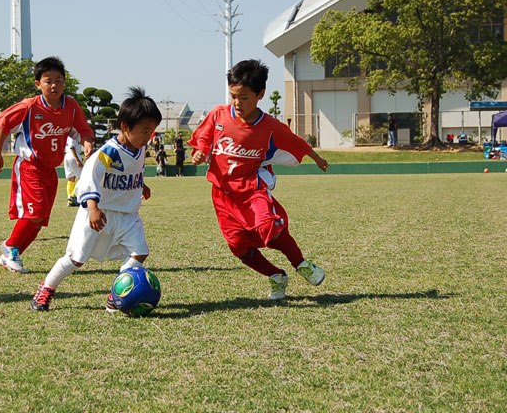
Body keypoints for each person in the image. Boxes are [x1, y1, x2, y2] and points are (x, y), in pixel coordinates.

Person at [188, 59, 328, 301]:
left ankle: (301, 263)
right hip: (222, 195)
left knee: (269, 228)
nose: (237, 103)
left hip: (253, 190)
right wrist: (200, 152)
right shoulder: (218, 115)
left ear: (260, 94)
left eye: (244, 98)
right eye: (233, 96)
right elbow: (203, 137)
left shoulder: (269, 126)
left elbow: (295, 142)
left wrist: (316, 157)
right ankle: (275, 275)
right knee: (237, 245)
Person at [31, 86, 162, 311]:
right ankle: (46, 289)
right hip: (98, 213)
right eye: (145, 130)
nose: (148, 136)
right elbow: (88, 180)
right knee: (75, 259)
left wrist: (142, 184)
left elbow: (133, 170)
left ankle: (117, 295)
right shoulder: (106, 154)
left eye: (152, 131)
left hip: (127, 215)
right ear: (125, 127)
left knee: (140, 252)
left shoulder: (139, 148)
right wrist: (92, 208)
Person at [0, 56, 95, 274]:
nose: (54, 85)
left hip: (50, 169)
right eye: (48, 80)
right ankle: (10, 246)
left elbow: (84, 130)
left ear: (64, 83)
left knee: (40, 220)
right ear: (38, 84)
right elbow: (3, 125)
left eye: (59, 80)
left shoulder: (71, 106)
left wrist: (87, 142)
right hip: (29, 166)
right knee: (35, 212)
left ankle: (11, 253)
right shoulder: (29, 105)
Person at [63, 135, 84, 207]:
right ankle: (73, 196)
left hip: (67, 156)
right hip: (73, 156)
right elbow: (72, 147)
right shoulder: (74, 135)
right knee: (83, 177)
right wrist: (77, 160)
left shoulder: (69, 134)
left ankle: (70, 200)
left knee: (71, 179)